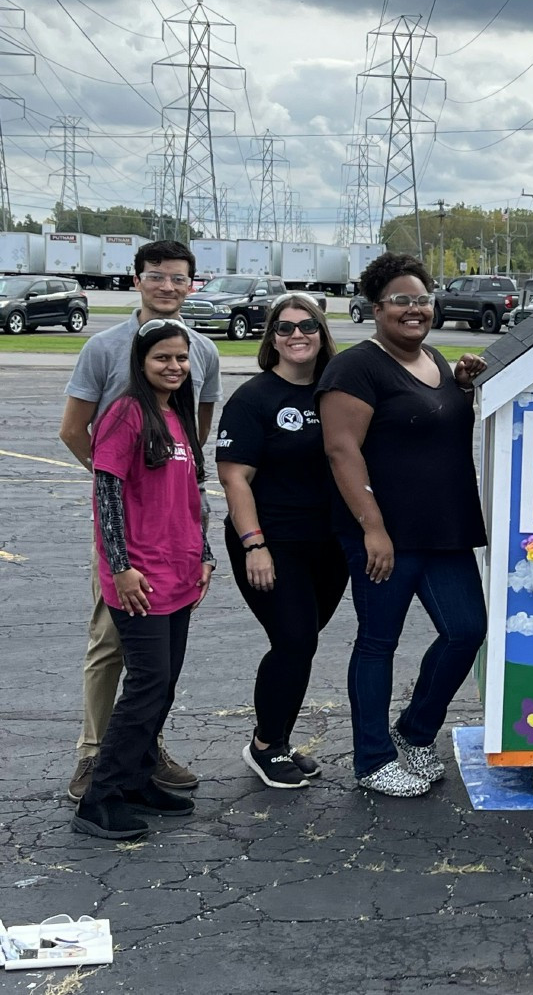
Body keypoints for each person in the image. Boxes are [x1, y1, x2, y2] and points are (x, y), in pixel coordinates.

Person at [318, 253, 489, 797]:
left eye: (422, 299)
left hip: (445, 530)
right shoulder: (355, 368)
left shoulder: (435, 359)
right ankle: (372, 759)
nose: (414, 309)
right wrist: (372, 527)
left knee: (466, 631)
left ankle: (415, 732)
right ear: (375, 308)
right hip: (385, 536)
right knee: (378, 642)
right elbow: (342, 450)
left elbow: (431, 425)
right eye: (401, 300)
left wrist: (461, 387)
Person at [58, 240, 221, 804]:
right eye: (157, 276)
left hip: (176, 524)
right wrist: (127, 485)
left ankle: (143, 752)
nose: (168, 287)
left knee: (163, 657)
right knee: (112, 639)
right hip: (125, 525)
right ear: (137, 280)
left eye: (179, 278)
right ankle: (94, 753)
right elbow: (74, 429)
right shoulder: (105, 348)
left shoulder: (201, 352)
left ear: (191, 285)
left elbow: (193, 438)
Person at [217, 294, 347, 790]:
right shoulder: (254, 399)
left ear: (322, 333)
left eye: (308, 326)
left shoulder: (337, 392)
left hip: (328, 544)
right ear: (271, 337)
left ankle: (279, 738)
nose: (298, 335)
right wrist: (254, 544)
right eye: (286, 327)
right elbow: (235, 479)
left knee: (302, 642)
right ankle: (266, 745)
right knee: (294, 638)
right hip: (272, 544)